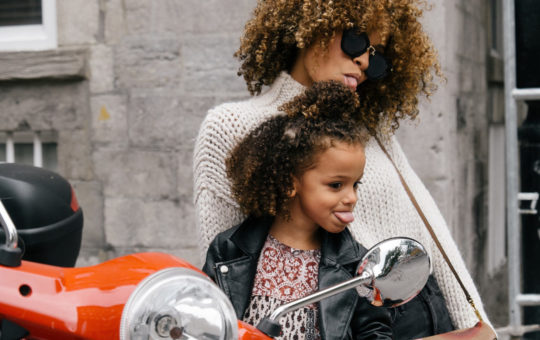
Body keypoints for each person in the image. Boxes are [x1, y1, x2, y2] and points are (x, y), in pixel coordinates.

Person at [193, 0, 490, 337]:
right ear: (312, 24)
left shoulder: (369, 131)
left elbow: (430, 229)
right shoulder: (232, 126)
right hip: (346, 321)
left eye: (376, 57)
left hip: (426, 310)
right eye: (355, 40)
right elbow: (229, 272)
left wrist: (478, 324)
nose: (364, 61)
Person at [203, 81, 392, 339]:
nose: (351, 197)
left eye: (355, 184)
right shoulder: (229, 250)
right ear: (290, 182)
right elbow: (204, 323)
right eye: (336, 185)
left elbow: (374, 331)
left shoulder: (356, 265)